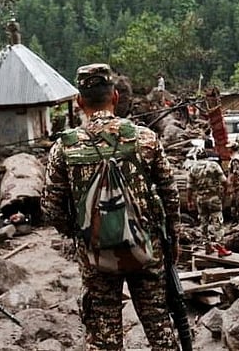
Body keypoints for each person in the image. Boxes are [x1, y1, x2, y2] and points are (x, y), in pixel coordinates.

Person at [44, 64, 179, 350]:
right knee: (159, 329)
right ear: (115, 97)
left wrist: (82, 234)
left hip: (96, 255)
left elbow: (52, 208)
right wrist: (172, 237)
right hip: (146, 248)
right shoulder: (144, 138)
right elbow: (170, 193)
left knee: (104, 337)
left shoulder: (64, 148)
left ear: (79, 102)